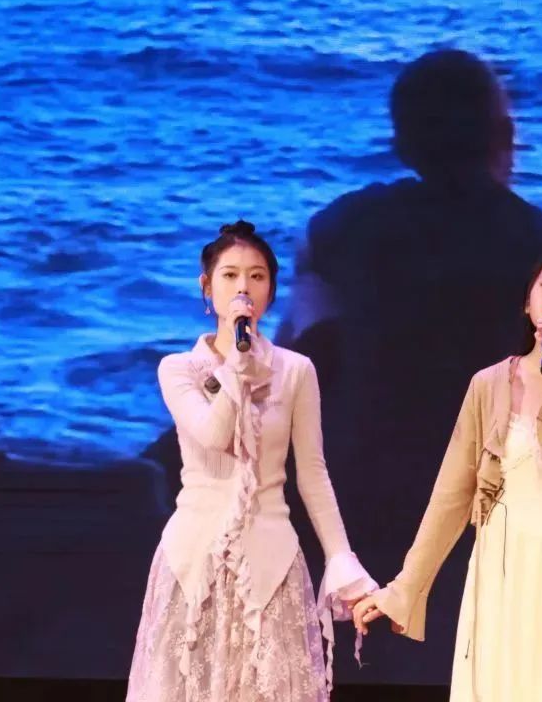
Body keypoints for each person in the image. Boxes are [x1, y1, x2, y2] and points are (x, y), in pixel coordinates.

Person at [277, 50, 542, 677]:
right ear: (504, 136)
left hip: (362, 497)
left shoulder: (342, 231)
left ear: (402, 146)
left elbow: (302, 358)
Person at [352, 247, 542, 701]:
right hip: (505, 565)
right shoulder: (488, 385)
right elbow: (450, 495)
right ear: (528, 303)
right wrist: (404, 588)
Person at [127, 221, 375, 702]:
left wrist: (342, 561)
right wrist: (238, 370)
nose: (244, 287)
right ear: (207, 287)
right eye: (230, 275)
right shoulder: (178, 369)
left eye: (257, 276)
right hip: (192, 562)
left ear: (271, 290)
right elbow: (213, 434)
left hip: (271, 559)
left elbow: (313, 473)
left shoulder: (296, 370)